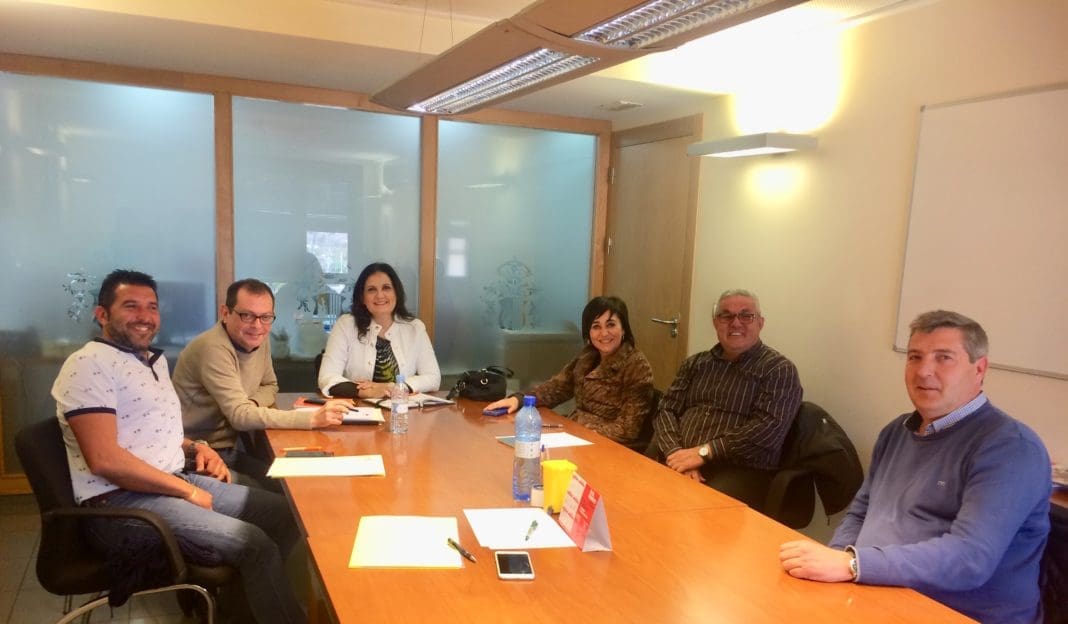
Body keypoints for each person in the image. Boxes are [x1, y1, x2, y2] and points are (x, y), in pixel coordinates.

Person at [50, 269, 306, 624]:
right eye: (131, 306)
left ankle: (240, 613)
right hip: (120, 504)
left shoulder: (148, 361)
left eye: (151, 307)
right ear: (102, 314)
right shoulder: (88, 365)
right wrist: (185, 491)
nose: (144, 316)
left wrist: (197, 446)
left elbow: (154, 431)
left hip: (169, 478)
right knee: (253, 543)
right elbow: (106, 459)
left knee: (285, 513)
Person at [779, 310, 1051, 624]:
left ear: (980, 369)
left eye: (944, 358)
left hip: (956, 614)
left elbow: (970, 558)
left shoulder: (1011, 448)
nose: (924, 371)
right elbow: (861, 512)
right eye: (915, 357)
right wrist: (836, 559)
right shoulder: (896, 431)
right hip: (875, 595)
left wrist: (854, 565)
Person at [173, 278, 349, 489]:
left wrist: (250, 406)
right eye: (247, 316)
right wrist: (311, 419)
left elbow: (270, 386)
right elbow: (240, 417)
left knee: (295, 484)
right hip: (197, 454)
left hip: (228, 447)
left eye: (266, 317)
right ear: (225, 313)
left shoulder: (258, 338)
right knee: (286, 493)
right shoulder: (213, 348)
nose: (257, 326)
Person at [652, 289, 802, 507]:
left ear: (760, 323)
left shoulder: (779, 370)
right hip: (680, 455)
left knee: (693, 507)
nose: (736, 323)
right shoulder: (695, 364)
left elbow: (766, 431)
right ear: (716, 323)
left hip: (739, 470)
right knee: (631, 486)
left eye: (746, 315)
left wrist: (703, 453)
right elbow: (666, 409)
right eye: (726, 316)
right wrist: (676, 454)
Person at [484, 296, 655, 444]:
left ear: (624, 329)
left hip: (608, 446)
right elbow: (557, 388)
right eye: (596, 326)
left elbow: (627, 429)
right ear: (588, 332)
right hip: (578, 437)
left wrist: (578, 429)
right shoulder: (588, 356)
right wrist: (520, 399)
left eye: (611, 325)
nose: (604, 333)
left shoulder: (637, 366)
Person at [318, 262, 440, 399]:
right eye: (371, 290)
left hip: (401, 408)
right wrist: (368, 391)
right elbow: (327, 377)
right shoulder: (346, 325)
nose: (380, 295)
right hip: (358, 408)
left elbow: (433, 377)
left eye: (386, 288)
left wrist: (395, 387)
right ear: (362, 298)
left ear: (396, 293)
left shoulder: (415, 328)